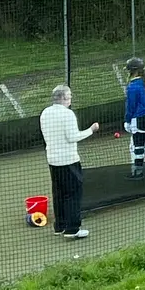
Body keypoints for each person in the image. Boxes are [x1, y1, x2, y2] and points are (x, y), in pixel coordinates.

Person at [40, 86, 99, 240]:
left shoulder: (45, 113)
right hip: (68, 161)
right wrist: (91, 130)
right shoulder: (68, 114)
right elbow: (73, 137)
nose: (71, 98)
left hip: (53, 160)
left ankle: (60, 226)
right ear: (64, 98)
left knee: (59, 193)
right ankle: (72, 229)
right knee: (72, 194)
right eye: (70, 96)